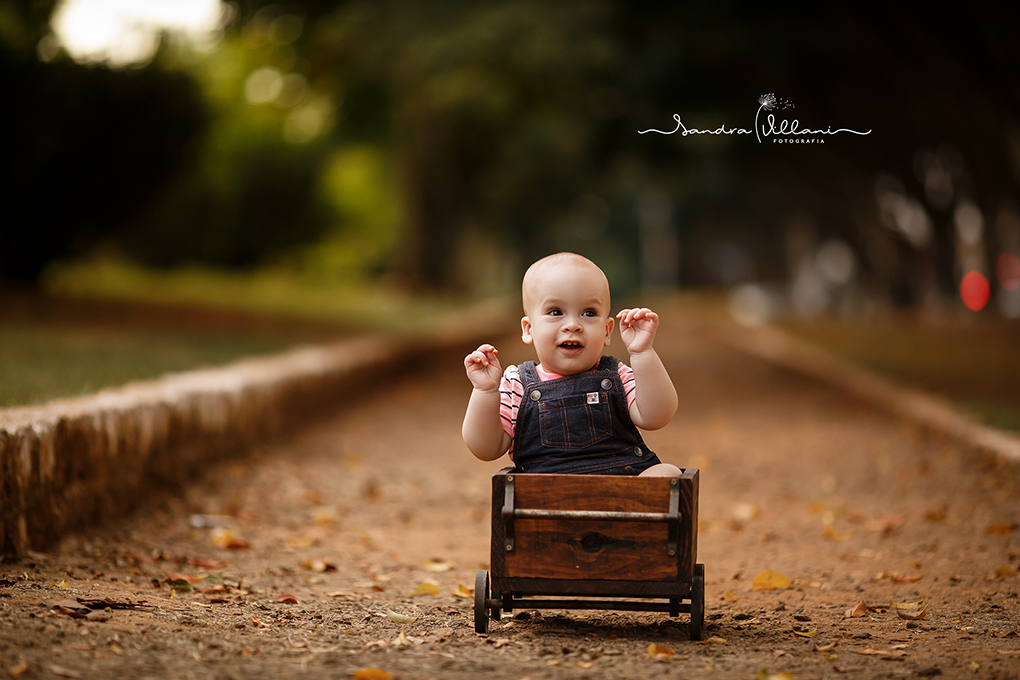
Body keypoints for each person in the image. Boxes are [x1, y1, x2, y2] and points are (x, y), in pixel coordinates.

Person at [463, 252, 680, 476]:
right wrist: (485, 391)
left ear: (607, 331)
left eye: (589, 313)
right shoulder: (517, 384)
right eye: (556, 312)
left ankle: (624, 500)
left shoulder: (617, 375)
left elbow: (656, 417)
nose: (573, 325)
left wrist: (642, 353)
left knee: (668, 473)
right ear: (529, 329)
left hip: (623, 480)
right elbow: (486, 449)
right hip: (546, 487)